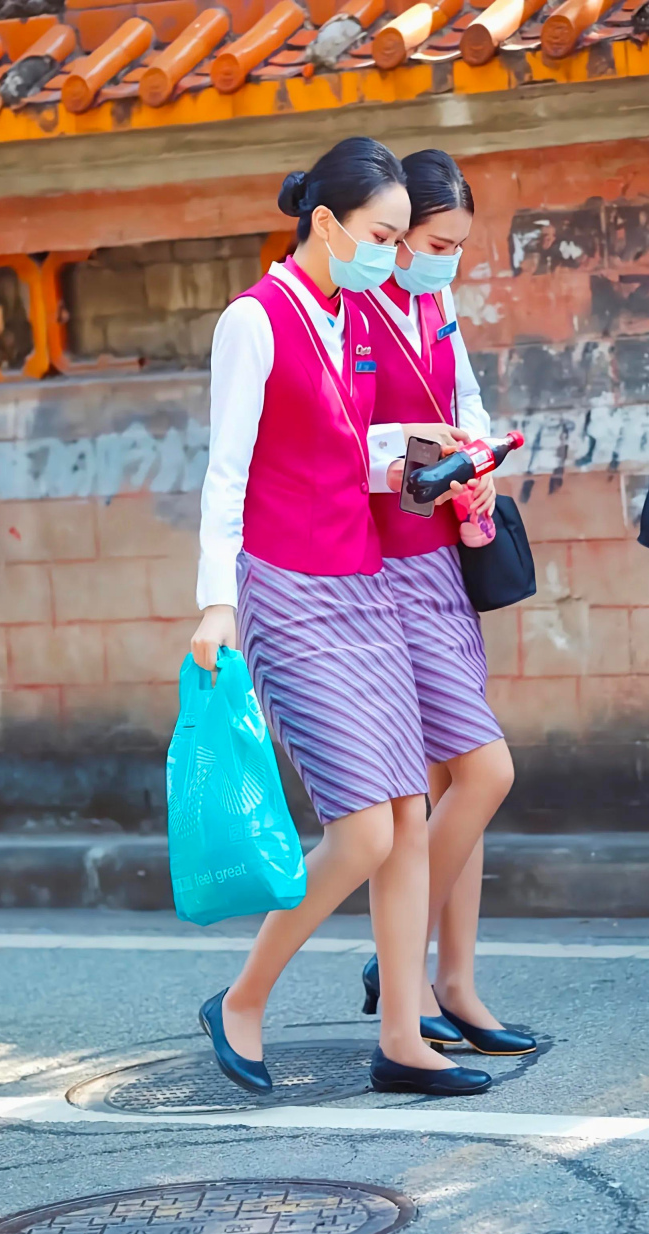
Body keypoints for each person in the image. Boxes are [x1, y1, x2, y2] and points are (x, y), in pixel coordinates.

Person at [190, 137, 492, 1099]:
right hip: (284, 589)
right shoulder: (254, 320)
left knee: (408, 817)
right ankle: (240, 1000)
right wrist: (215, 604)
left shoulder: (349, 318)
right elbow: (228, 472)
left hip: (361, 578)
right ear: (325, 222)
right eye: (382, 234)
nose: (394, 254)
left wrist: (417, 450)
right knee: (364, 832)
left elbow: (345, 456)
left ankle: (403, 1037)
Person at [356, 148, 537, 1056]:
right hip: (386, 566)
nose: (443, 260)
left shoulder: (435, 304)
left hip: (443, 556)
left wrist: (476, 452)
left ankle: (455, 982)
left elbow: (459, 398)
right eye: (433, 241)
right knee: (484, 771)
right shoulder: (347, 307)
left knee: (445, 783)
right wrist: (422, 444)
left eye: (457, 246)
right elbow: (340, 436)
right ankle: (397, 968)